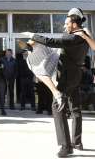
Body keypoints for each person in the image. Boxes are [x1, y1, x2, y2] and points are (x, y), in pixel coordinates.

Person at [23, 8, 88, 157]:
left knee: (57, 107)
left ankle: (66, 146)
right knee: (75, 109)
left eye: (66, 23)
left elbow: (51, 41)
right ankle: (77, 142)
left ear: (74, 23)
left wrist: (33, 35)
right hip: (76, 75)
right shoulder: (84, 36)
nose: (64, 26)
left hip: (66, 76)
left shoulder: (73, 37)